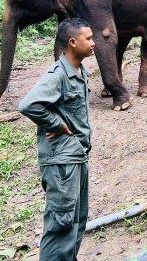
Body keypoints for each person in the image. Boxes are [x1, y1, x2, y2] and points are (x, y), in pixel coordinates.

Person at [19, 18, 95, 261]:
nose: (94, 43)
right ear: (72, 42)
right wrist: (57, 124)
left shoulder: (79, 71)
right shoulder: (57, 74)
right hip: (62, 164)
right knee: (61, 225)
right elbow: (29, 104)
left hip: (76, 156)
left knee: (76, 221)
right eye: (89, 38)